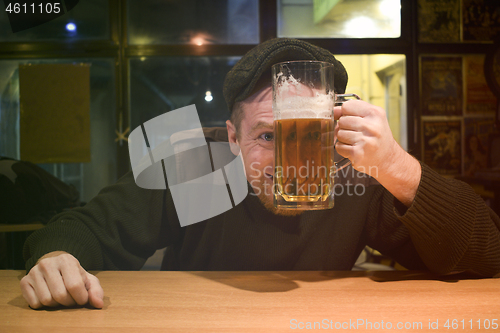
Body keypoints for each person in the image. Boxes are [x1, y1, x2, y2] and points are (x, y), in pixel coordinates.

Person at [20, 38, 500, 309]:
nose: (291, 163)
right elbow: (81, 228)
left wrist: (397, 165)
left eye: (309, 137)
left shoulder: (354, 175)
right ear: (231, 137)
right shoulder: (197, 168)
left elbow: (488, 253)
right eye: (268, 138)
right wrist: (58, 256)